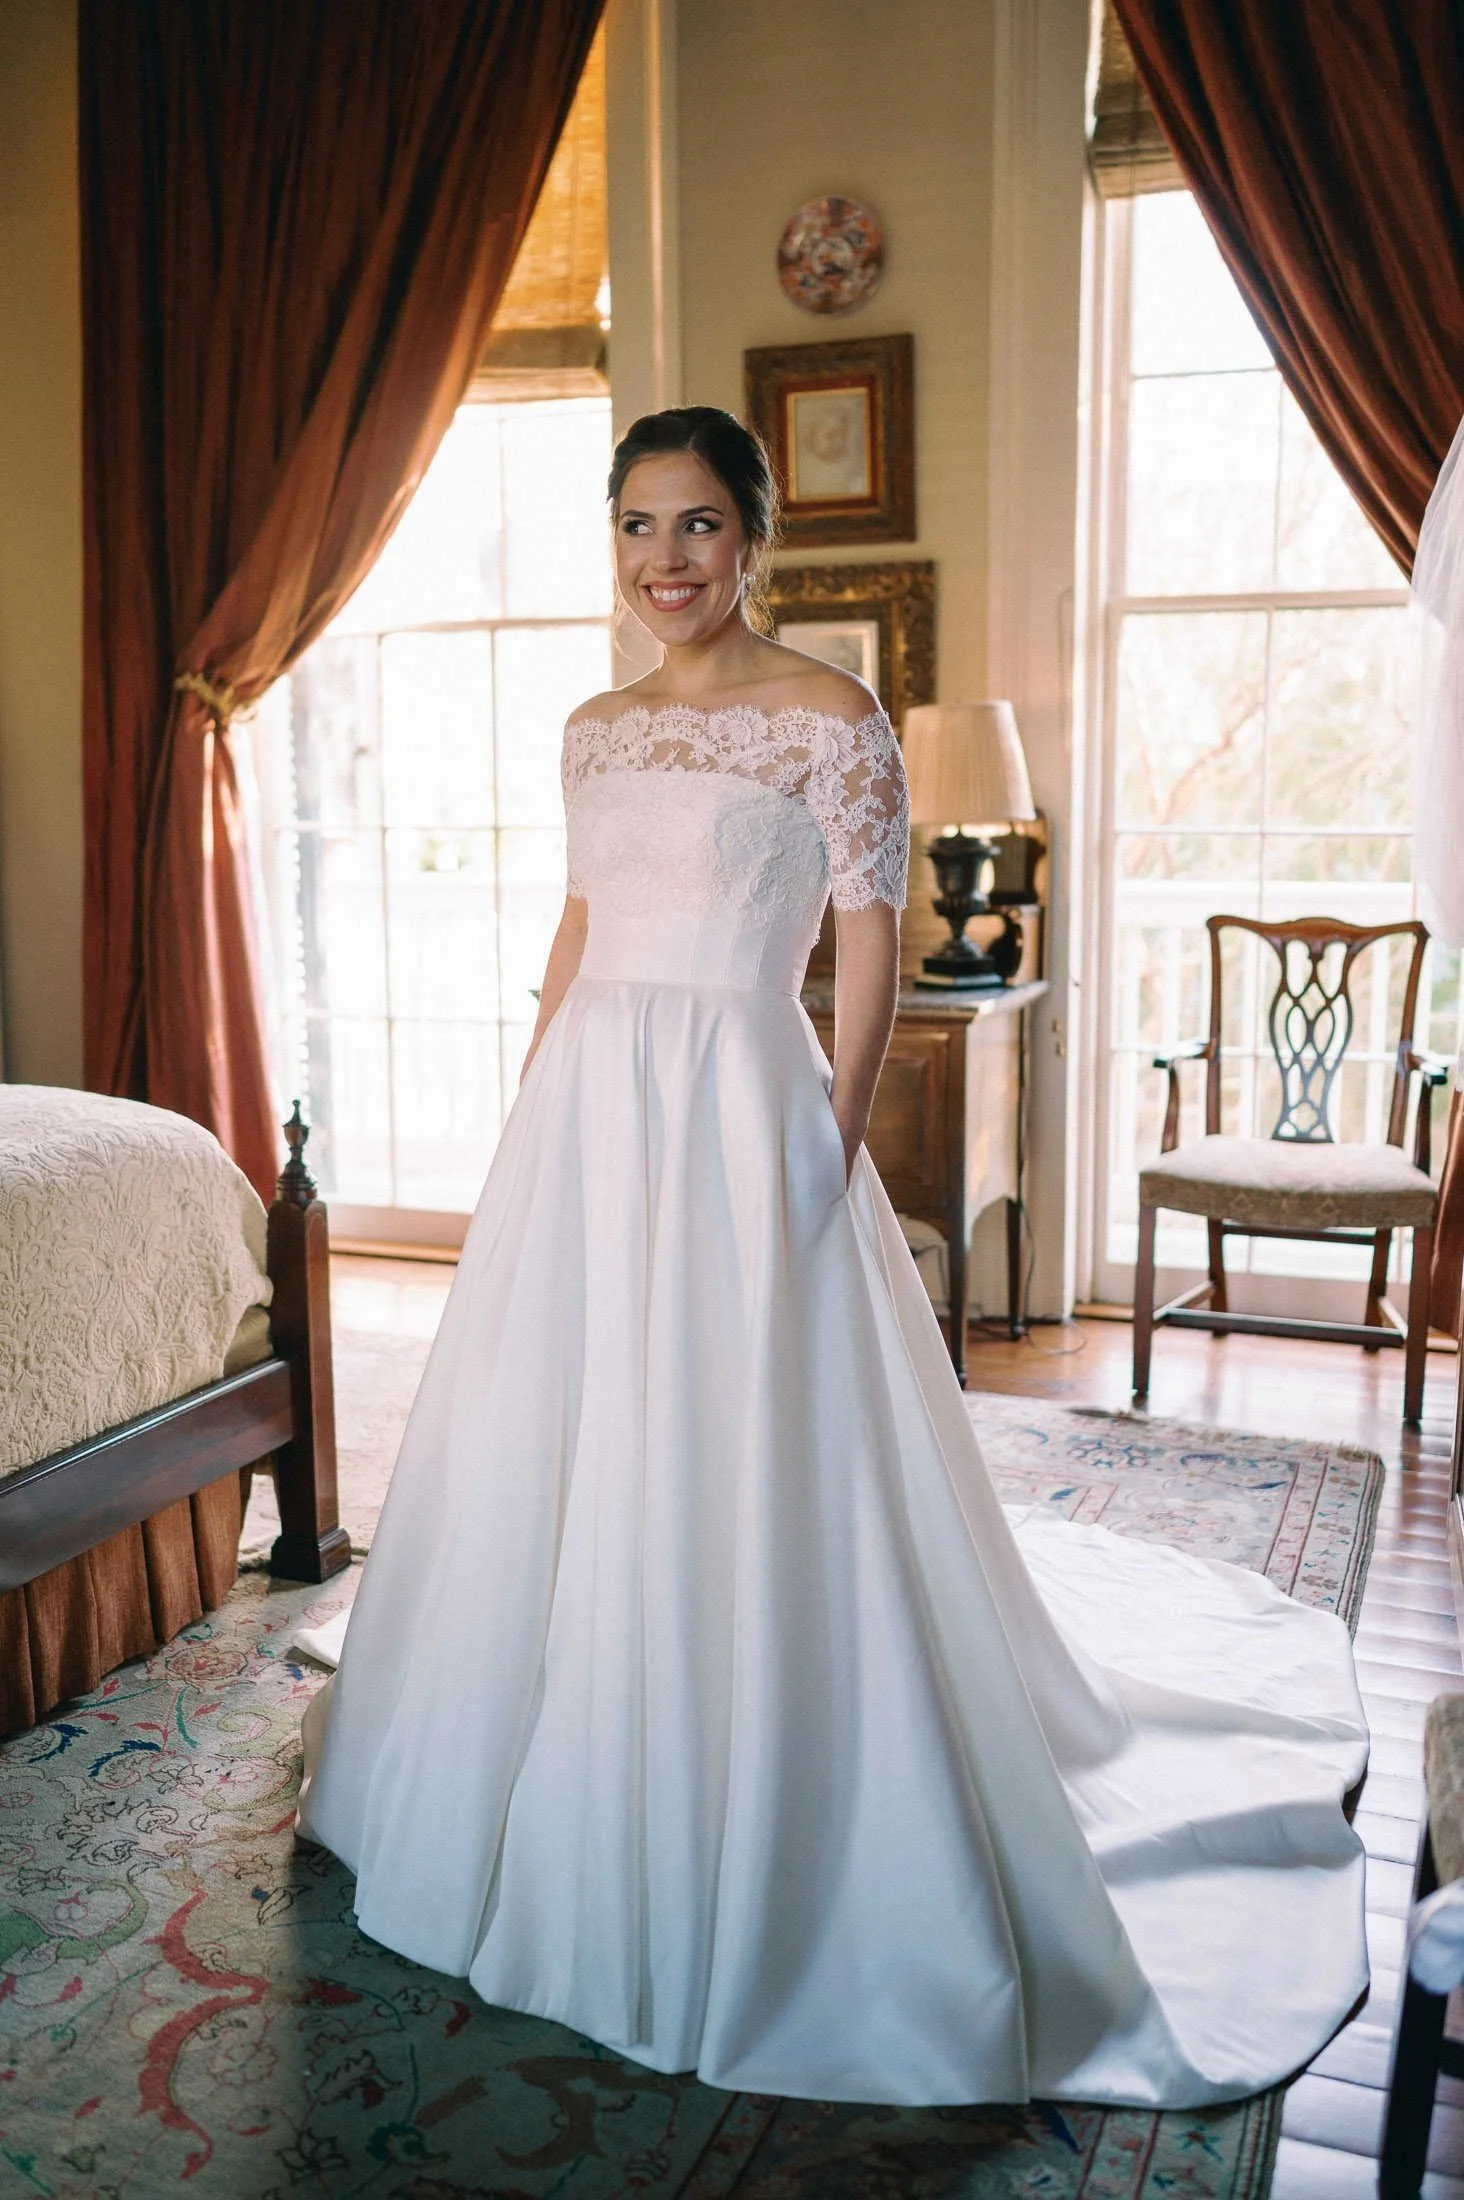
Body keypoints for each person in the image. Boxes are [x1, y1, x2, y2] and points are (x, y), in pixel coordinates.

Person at [297, 405, 1369, 2109]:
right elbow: (578, 924)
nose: (668, 561)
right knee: (569, 1426)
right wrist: (531, 1102)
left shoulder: (831, 719)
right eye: (640, 527)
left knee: (750, 1432)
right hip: (593, 1105)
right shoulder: (591, 732)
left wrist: (836, 1123)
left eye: (702, 526)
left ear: (757, 536)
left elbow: (865, 942)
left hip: (741, 1096)